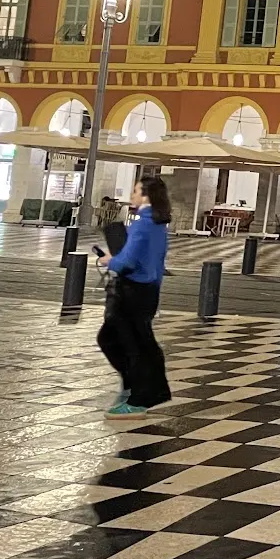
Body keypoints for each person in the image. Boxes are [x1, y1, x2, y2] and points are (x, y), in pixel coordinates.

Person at [96, 176, 172, 416]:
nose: (133, 195)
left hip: (133, 291)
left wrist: (110, 260)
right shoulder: (158, 223)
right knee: (127, 340)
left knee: (130, 344)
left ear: (146, 196)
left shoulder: (142, 223)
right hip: (149, 290)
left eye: (136, 191)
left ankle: (139, 396)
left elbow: (128, 261)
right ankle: (137, 388)